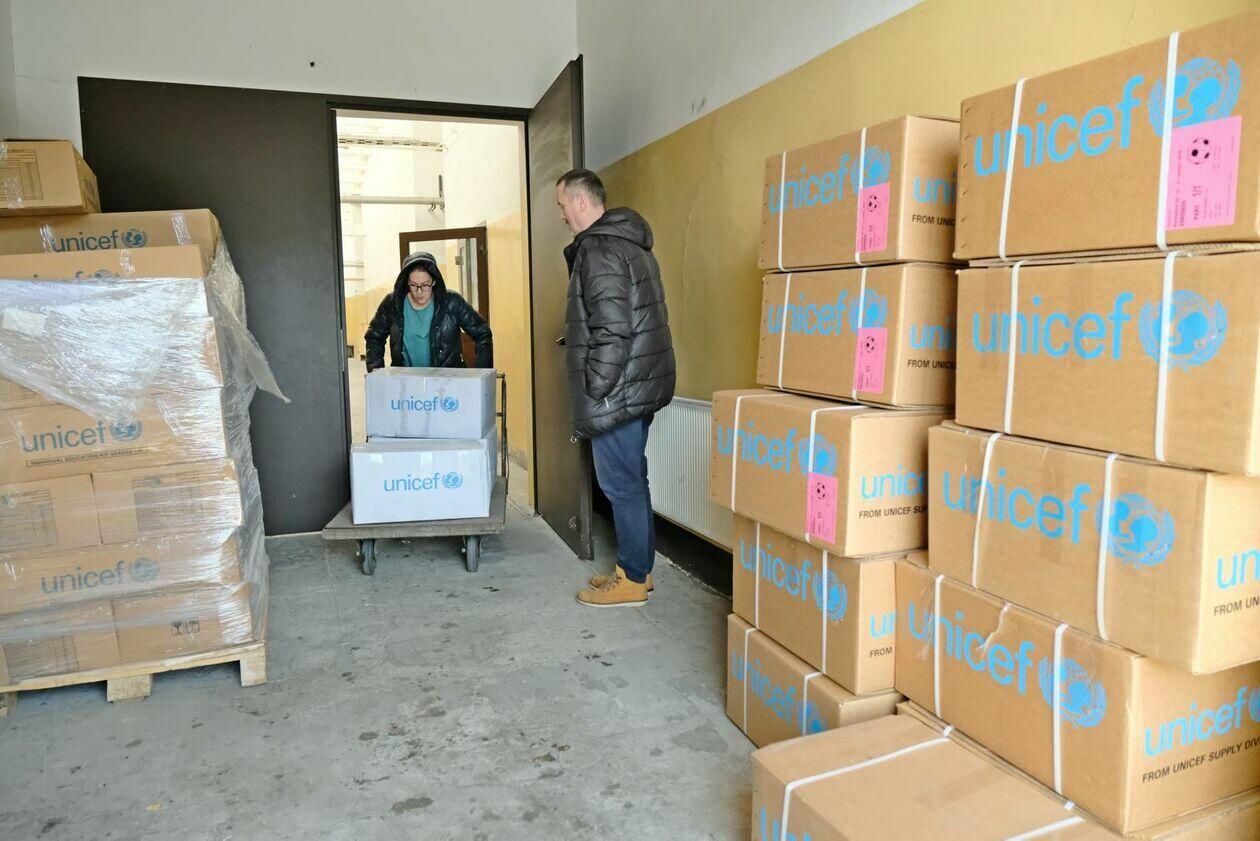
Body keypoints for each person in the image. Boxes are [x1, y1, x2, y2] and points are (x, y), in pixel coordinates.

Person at [556, 168, 676, 608]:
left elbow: (612, 329)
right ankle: (637, 570)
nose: (562, 215)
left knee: (620, 484)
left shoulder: (599, 249)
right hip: (638, 383)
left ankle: (632, 580)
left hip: (618, 390)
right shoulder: (629, 243)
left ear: (580, 201)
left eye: (562, 205)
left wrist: (597, 386)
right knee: (633, 480)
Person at [364, 251, 492, 371]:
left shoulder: (452, 302)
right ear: (406, 282)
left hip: (447, 381)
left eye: (425, 285)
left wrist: (481, 374)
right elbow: (374, 337)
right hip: (405, 381)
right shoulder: (392, 304)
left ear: (434, 281)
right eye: (413, 285)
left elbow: (482, 333)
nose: (419, 291)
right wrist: (376, 371)